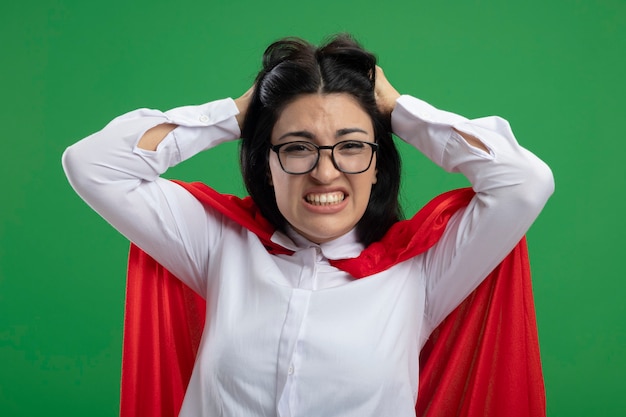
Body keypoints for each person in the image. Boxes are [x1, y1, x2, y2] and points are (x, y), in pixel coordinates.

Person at [62, 34, 554, 417]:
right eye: (297, 147)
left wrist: (398, 110)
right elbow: (93, 164)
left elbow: (524, 183)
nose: (325, 172)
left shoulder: (422, 272)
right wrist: (238, 113)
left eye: (352, 146)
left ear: (379, 163)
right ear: (266, 163)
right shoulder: (216, 244)